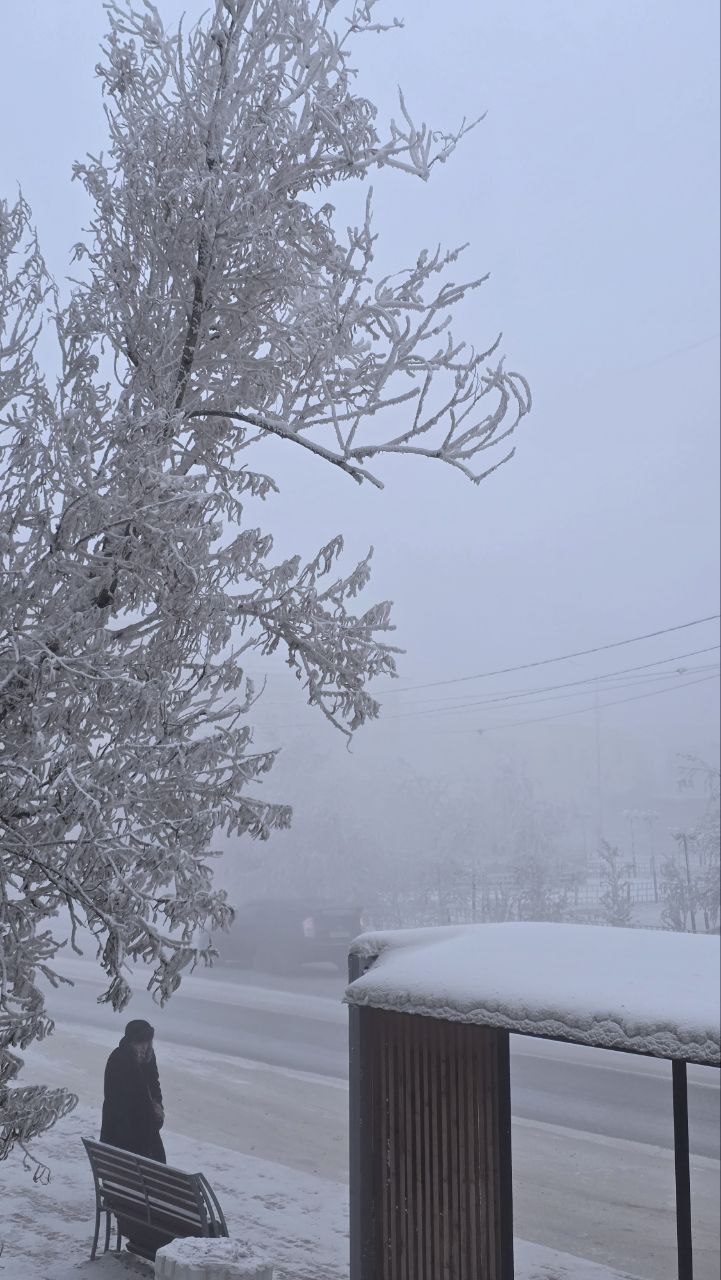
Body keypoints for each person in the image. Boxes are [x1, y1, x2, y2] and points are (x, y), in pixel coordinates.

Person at [100, 1019, 167, 1258]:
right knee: (153, 1173)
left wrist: (158, 1107)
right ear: (130, 1041)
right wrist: (153, 1116)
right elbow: (127, 1103)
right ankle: (145, 1224)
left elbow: (154, 1085)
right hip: (124, 1133)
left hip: (138, 1129)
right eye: (141, 1042)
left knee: (157, 1169)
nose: (145, 1047)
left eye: (148, 1041)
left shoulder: (147, 1058)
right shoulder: (120, 1060)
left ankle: (143, 1218)